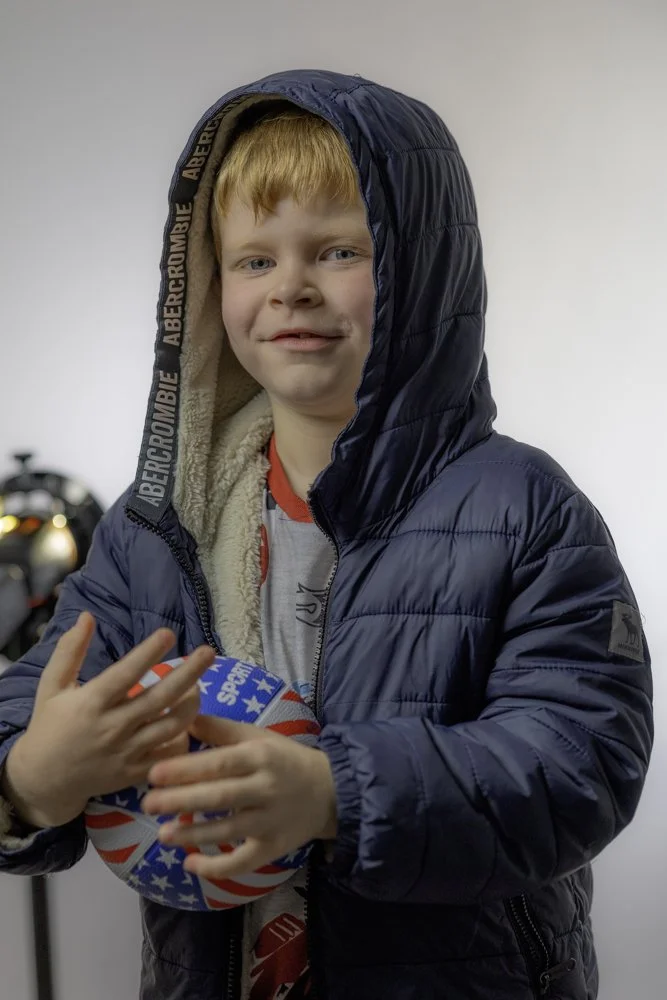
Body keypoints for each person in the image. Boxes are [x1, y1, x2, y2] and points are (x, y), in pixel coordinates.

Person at [0, 68, 653, 1000]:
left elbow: (580, 759)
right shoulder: (158, 529)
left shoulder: (525, 511)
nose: (291, 288)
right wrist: (29, 774)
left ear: (424, 277)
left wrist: (333, 792)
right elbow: (37, 700)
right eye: (254, 260)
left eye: (338, 251)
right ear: (210, 287)